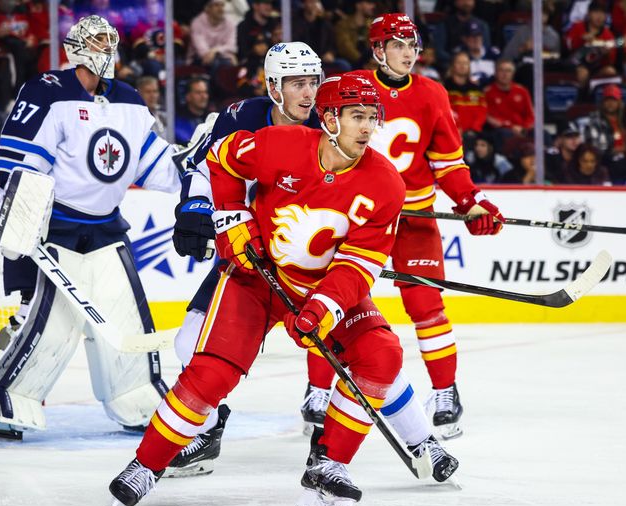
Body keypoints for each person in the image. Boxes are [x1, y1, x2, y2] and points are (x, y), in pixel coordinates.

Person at [109, 72, 449, 506]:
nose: (367, 128)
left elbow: (359, 263)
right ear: (329, 119)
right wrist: (232, 220)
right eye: (356, 117)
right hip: (254, 280)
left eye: (372, 117)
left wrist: (324, 306)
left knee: (382, 354)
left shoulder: (386, 183)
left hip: (317, 287)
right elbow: (221, 160)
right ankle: (146, 464)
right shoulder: (279, 144)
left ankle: (328, 471)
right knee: (210, 372)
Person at [169, 42, 459, 481]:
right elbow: (203, 166)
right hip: (250, 258)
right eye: (296, 84)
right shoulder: (241, 118)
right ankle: (206, 433)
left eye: (312, 82)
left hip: (318, 267)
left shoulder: (334, 122)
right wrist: (195, 208)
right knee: (190, 343)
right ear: (273, 86)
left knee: (363, 353)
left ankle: (420, 439)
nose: (307, 93)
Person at [0, 15, 181, 440]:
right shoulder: (46, 91)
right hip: (58, 230)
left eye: (111, 41)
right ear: (77, 47)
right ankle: (6, 401)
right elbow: (18, 160)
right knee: (52, 326)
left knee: (126, 319)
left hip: (106, 230)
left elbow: (153, 162)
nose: (108, 49)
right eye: (99, 41)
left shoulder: (128, 99)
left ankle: (136, 394)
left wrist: (194, 166)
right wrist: (25, 218)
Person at [346, 14, 504, 439]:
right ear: (378, 49)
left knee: (426, 306)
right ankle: (318, 389)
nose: (408, 52)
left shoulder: (432, 93)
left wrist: (471, 201)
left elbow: (448, 163)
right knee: (337, 302)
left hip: (415, 217)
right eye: (398, 45)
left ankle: (446, 391)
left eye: (412, 44)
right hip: (359, 217)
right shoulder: (352, 86)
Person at [175, 76, 212, 144]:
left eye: (205, 92)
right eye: (198, 92)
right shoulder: (178, 120)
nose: (203, 96)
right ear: (188, 96)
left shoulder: (211, 118)